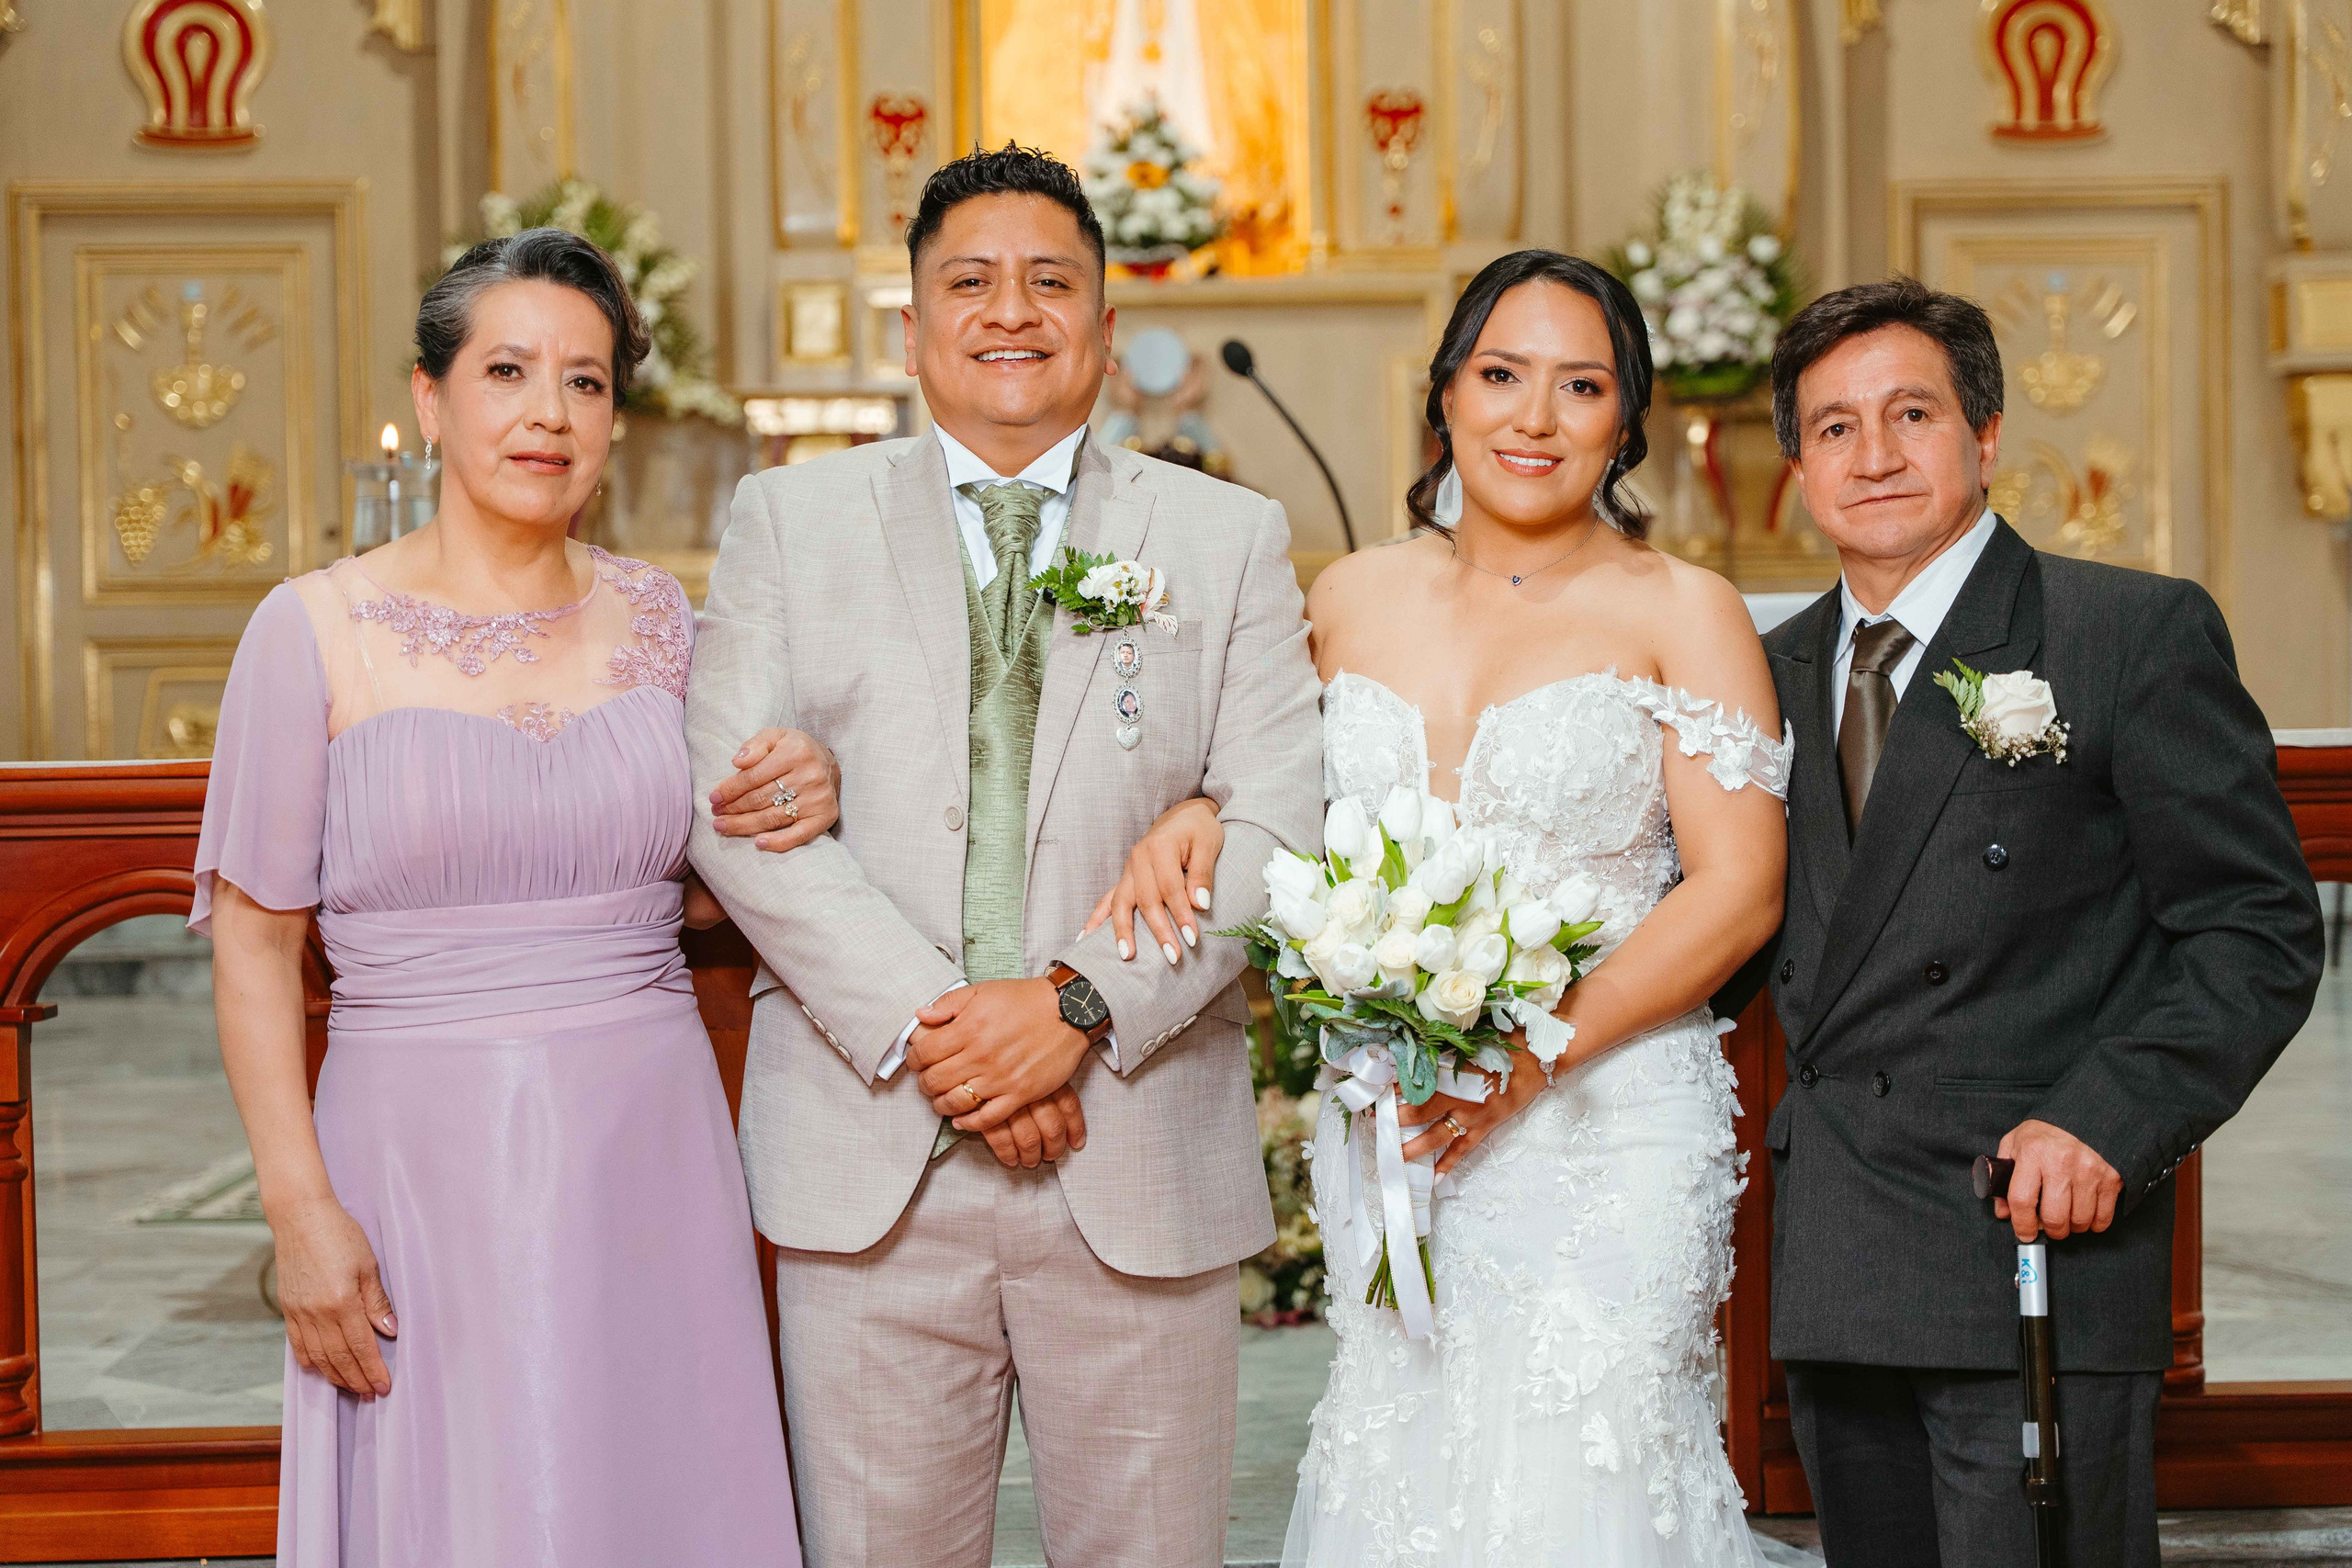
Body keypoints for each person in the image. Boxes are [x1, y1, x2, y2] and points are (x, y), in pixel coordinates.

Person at [685, 144, 1325, 1567]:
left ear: (1104, 323)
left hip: (1133, 1142)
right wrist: (959, 1038)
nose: (1011, 311)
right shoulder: (790, 523)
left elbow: (1280, 823)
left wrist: (1077, 1006)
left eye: (1050, 281)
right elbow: (731, 812)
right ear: (913, 328)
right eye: (969, 282)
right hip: (873, 1156)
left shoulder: (1223, 536)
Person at [1104, 249, 1792, 1564]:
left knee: (1584, 1464)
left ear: (1626, 419)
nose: (1535, 418)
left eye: (1580, 385)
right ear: (1446, 397)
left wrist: (1536, 1057)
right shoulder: (1347, 596)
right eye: (1501, 375)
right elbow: (1265, 793)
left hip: (1608, 1122)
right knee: (1408, 1458)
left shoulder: (1685, 610)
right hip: (1396, 1119)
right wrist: (1196, 814)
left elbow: (1739, 888)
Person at [196, 228, 827, 1564]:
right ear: (431, 400)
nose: (550, 412)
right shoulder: (312, 630)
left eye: (586, 381)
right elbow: (252, 944)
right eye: (508, 371)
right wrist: (299, 1212)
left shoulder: (668, 624)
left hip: (648, 1149)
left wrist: (804, 784)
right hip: (416, 1165)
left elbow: (729, 867)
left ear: (614, 421)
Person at [1721, 276, 2324, 1568]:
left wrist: (2110, 1117)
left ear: (1985, 436)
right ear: (1798, 470)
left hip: (2031, 1239)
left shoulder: (2125, 634)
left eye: (1912, 415)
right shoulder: (1759, 677)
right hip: (1837, 1260)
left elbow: (2258, 929)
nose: (1874, 456)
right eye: (1834, 428)